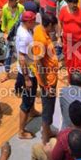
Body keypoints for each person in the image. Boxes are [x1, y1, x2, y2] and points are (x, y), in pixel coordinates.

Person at [32, 12, 59, 144]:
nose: (54, 29)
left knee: (49, 106)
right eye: (53, 27)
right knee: (48, 108)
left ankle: (48, 131)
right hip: (48, 81)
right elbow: (38, 63)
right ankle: (45, 139)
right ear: (47, 25)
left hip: (50, 78)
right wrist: (45, 85)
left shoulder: (39, 29)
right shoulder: (41, 40)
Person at [16, 10, 40, 139]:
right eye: (34, 21)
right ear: (29, 21)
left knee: (30, 98)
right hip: (27, 73)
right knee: (26, 101)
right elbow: (21, 57)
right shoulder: (24, 35)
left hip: (29, 70)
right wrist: (27, 79)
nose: (35, 23)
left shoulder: (23, 28)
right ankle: (21, 131)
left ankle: (32, 110)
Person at [59, 0, 81, 83]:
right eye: (72, 3)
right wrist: (59, 37)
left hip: (80, 43)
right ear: (68, 2)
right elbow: (60, 23)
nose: (74, 5)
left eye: (76, 3)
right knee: (70, 63)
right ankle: (72, 81)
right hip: (68, 43)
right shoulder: (63, 11)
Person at [1, 0, 24, 79]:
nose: (17, 1)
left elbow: (24, 21)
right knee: (8, 56)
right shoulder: (5, 8)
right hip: (9, 36)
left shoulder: (21, 8)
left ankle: (21, 74)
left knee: (20, 55)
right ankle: (7, 74)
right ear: (10, 1)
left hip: (20, 36)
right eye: (15, 0)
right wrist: (4, 34)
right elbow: (4, 24)